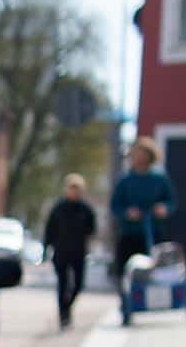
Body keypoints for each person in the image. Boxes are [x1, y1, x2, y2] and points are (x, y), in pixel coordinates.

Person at [109, 140, 178, 323]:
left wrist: (163, 208)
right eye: (136, 153)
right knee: (124, 270)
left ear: (150, 156)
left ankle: (156, 300)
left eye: (143, 154)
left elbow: (171, 201)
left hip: (153, 231)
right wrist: (127, 212)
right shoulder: (125, 180)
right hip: (130, 232)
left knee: (157, 269)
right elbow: (115, 205)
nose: (139, 157)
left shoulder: (159, 179)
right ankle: (126, 305)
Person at [43, 174, 98, 327]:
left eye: (77, 189)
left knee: (78, 285)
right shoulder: (58, 209)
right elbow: (49, 230)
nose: (74, 192)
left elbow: (91, 229)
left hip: (79, 252)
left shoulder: (85, 209)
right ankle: (63, 315)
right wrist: (46, 248)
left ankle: (67, 306)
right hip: (61, 251)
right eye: (71, 189)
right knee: (63, 283)